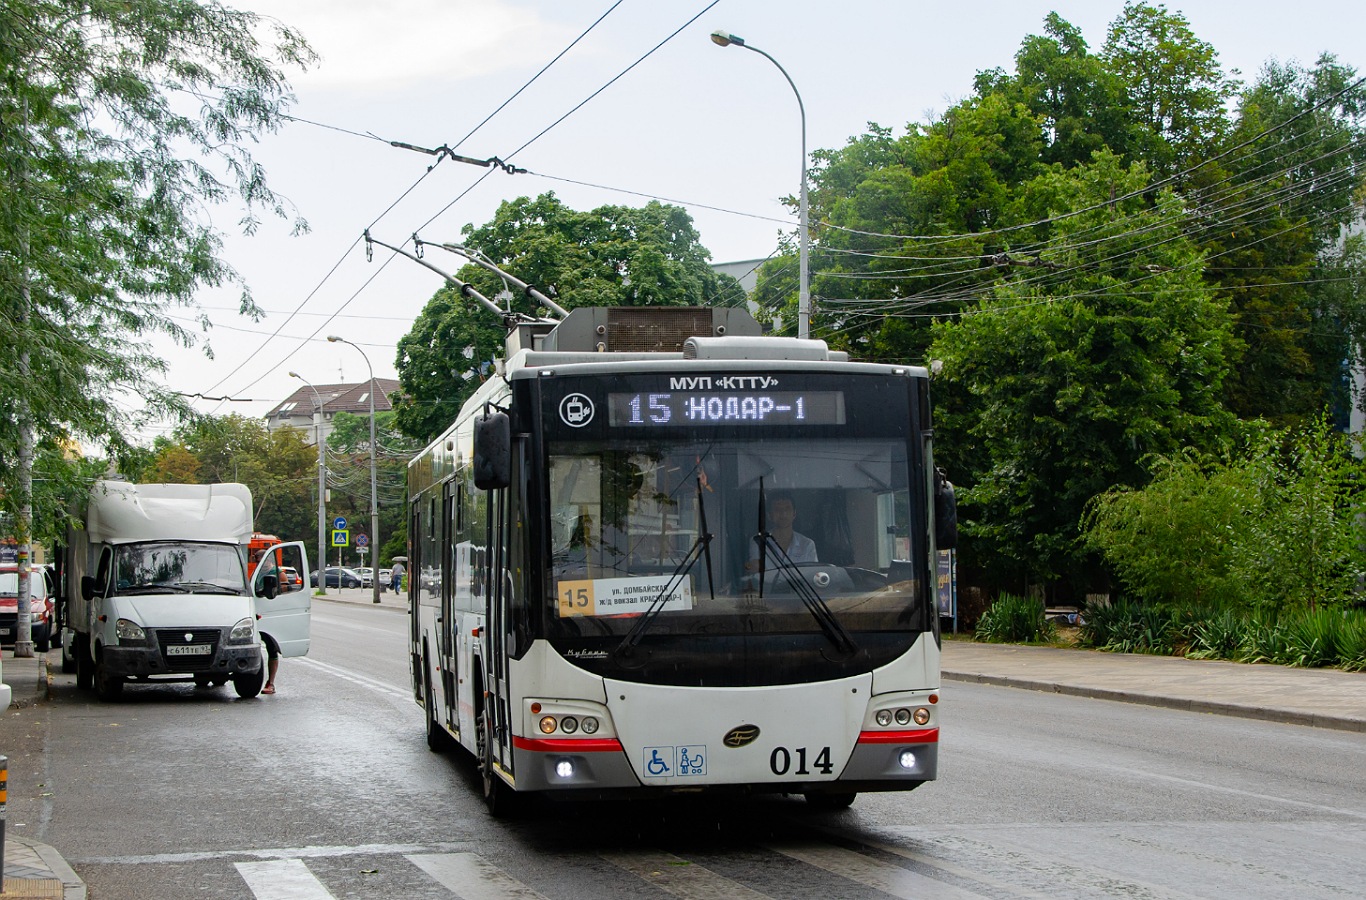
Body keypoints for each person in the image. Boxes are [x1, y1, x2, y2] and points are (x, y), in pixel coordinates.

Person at [746, 493, 818, 573]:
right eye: (777, 509)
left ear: (794, 514)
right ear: (769, 515)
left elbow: (812, 575)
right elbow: (755, 574)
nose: (783, 514)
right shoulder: (758, 541)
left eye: (787, 509)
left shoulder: (807, 544)